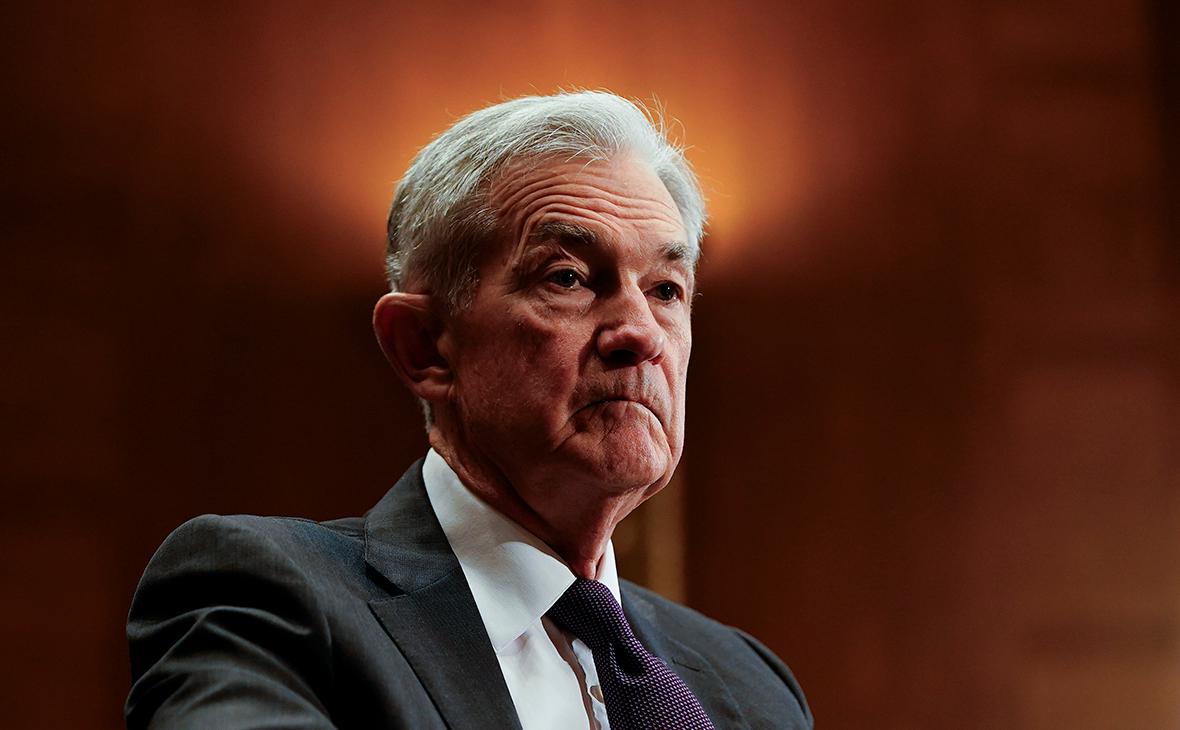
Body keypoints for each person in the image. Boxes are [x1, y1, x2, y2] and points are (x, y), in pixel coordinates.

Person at [125, 91, 813, 729]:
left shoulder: (752, 688)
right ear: (425, 346)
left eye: (665, 290)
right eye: (568, 277)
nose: (640, 332)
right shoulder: (266, 601)